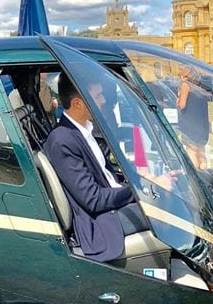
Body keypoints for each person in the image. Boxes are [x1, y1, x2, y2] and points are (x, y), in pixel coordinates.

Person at [42, 74, 149, 268]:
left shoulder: (83, 131)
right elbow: (93, 200)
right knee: (169, 214)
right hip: (100, 223)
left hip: (112, 204)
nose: (104, 101)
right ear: (78, 103)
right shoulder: (62, 141)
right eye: (98, 96)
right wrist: (137, 192)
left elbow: (106, 178)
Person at [176, 64, 210, 170]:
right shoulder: (200, 85)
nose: (179, 71)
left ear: (189, 70)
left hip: (190, 123)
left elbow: (182, 105)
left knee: (191, 151)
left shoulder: (186, 85)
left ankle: (197, 177)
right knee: (202, 152)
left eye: (181, 69)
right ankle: (205, 174)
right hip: (202, 123)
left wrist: (177, 101)